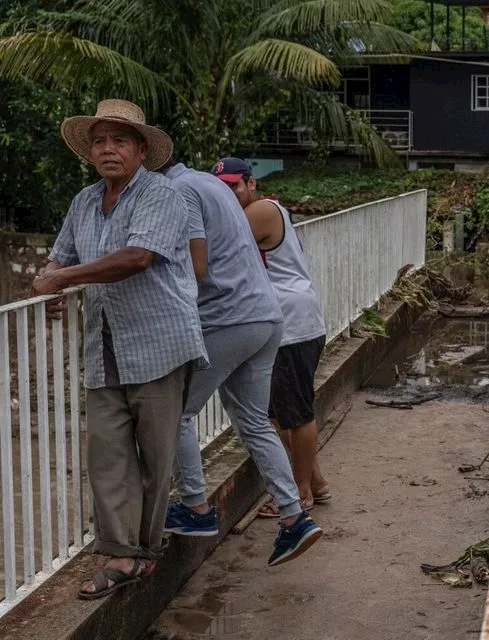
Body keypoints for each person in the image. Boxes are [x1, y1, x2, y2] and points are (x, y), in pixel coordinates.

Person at [33, 99, 206, 599]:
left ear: (140, 149)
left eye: (120, 140)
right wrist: (48, 284)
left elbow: (136, 256)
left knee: (155, 456)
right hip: (104, 345)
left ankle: (144, 551)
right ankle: (119, 553)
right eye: (100, 141)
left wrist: (64, 277)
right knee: (107, 453)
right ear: (90, 151)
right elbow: (58, 258)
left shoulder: (162, 196)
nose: (109, 149)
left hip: (159, 343)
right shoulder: (84, 202)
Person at [158, 159, 322, 567]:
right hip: (268, 317)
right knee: (253, 420)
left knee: (174, 411)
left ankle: (195, 507)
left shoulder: (180, 192)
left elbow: (196, 265)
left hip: (230, 318)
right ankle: (294, 516)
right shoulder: (213, 189)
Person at [212, 158, 330, 513]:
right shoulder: (262, 209)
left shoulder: (261, 210)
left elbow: (217, 244)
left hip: (292, 324)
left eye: (233, 186)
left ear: (251, 183)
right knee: (276, 415)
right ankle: (317, 483)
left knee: (297, 415)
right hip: (282, 324)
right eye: (221, 188)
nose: (228, 195)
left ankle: (300, 494)